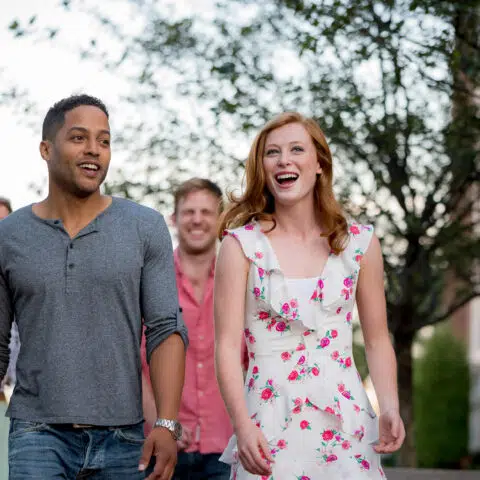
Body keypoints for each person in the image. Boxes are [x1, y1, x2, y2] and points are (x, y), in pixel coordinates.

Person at [0, 94, 188, 480]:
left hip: (124, 438)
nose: (94, 150)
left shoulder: (144, 227)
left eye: (104, 141)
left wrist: (166, 424)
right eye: (79, 138)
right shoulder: (9, 235)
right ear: (46, 148)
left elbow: (165, 328)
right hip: (37, 433)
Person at [214, 112, 405, 479]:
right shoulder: (240, 246)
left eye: (296, 149)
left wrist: (390, 408)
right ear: (262, 167)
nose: (284, 160)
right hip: (266, 427)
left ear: (319, 163)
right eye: (272, 152)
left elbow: (378, 339)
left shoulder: (360, 244)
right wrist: (242, 424)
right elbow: (225, 346)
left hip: (347, 426)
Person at [142, 178, 233, 479]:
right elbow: (134, 364)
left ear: (221, 219)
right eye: (188, 211)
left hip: (228, 447)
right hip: (160, 449)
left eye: (206, 212)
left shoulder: (241, 282)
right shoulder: (148, 281)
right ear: (174, 218)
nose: (197, 220)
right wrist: (162, 423)